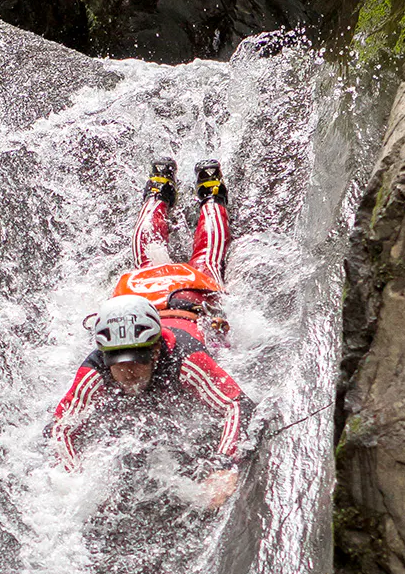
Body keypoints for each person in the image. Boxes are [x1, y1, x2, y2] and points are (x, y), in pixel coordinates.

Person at [46, 159, 254, 508]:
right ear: (105, 356)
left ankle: (211, 195)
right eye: (120, 363)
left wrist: (223, 466)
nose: (129, 372)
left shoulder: (187, 359)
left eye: (138, 360)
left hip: (189, 300)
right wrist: (73, 477)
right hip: (143, 301)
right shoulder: (95, 367)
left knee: (207, 260)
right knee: (146, 257)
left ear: (156, 351)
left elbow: (236, 404)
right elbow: (59, 427)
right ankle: (158, 190)